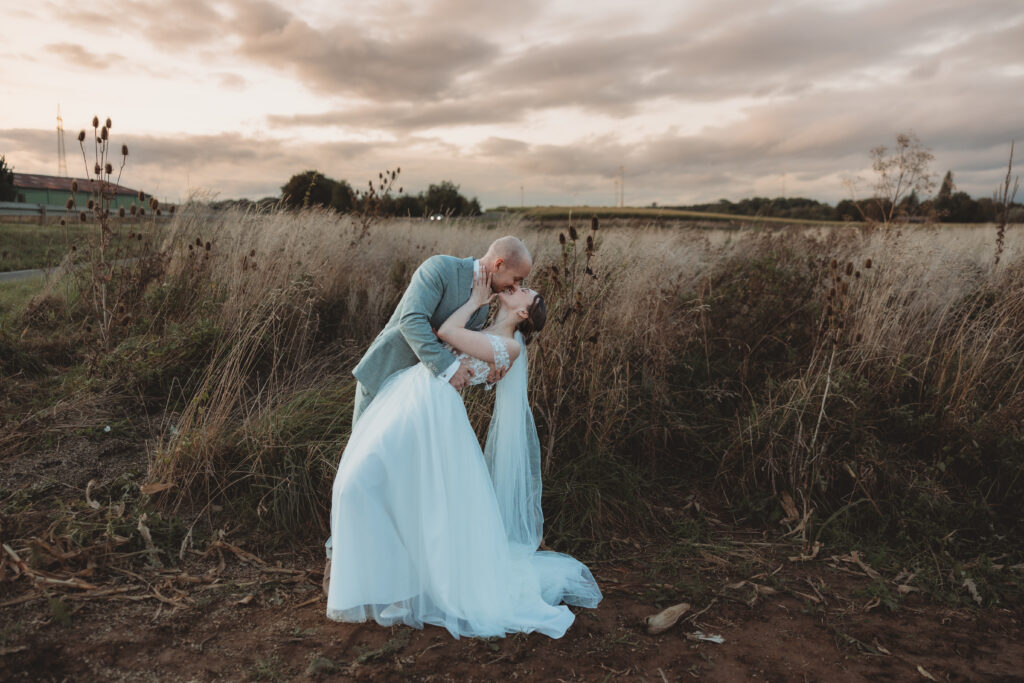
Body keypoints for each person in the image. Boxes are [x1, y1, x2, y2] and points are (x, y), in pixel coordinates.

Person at [325, 266, 602, 639]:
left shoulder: (510, 346)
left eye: (524, 292)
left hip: (432, 410)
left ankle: (402, 587)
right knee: (368, 484)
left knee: (384, 488)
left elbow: (445, 333)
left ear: (523, 313)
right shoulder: (483, 326)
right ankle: (388, 580)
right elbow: (447, 336)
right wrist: (475, 303)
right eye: (518, 284)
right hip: (411, 398)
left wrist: (473, 300)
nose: (517, 288)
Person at [323, 236, 532, 575]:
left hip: (418, 401)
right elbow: (412, 321)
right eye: (516, 279)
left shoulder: (484, 300)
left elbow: (458, 349)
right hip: (384, 378)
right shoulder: (440, 268)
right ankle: (337, 557)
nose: (516, 286)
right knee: (358, 471)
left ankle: (386, 563)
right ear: (498, 265)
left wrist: (480, 371)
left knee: (401, 480)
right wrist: (450, 369)